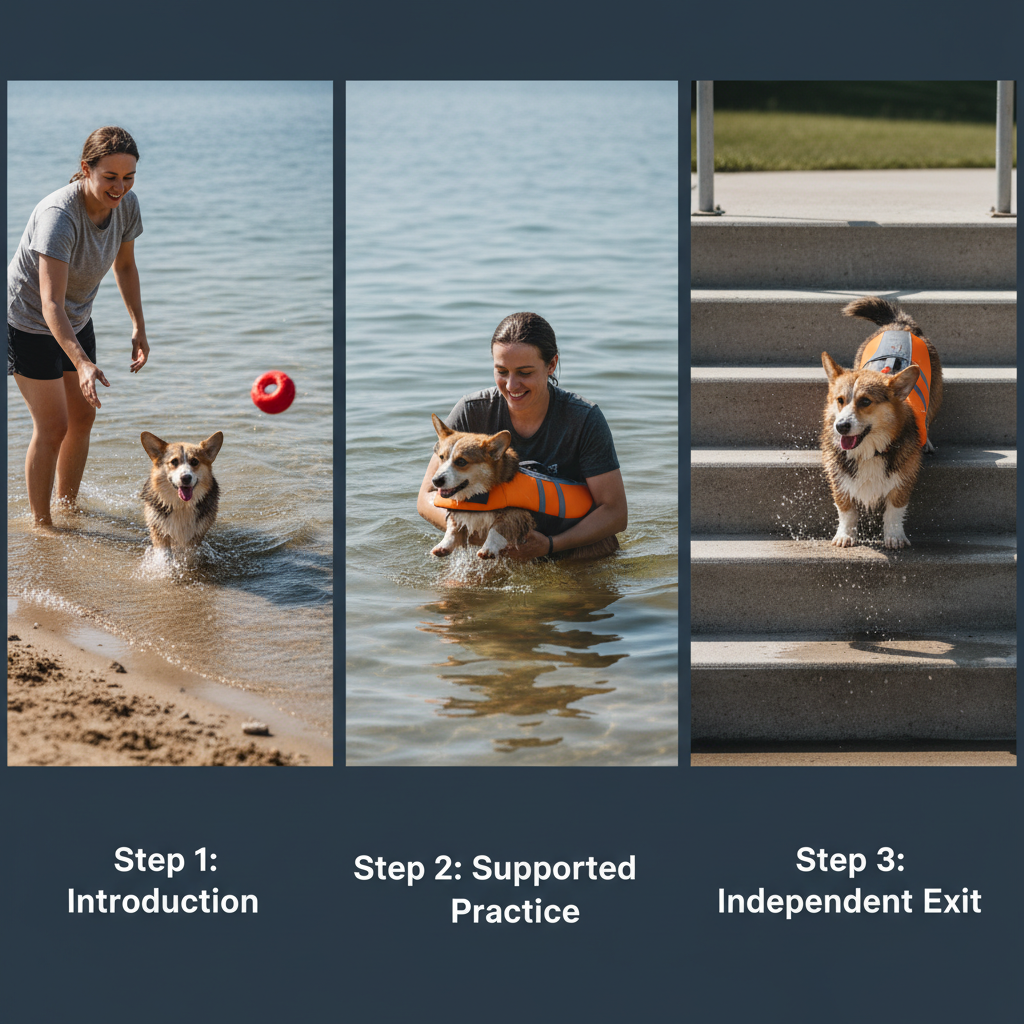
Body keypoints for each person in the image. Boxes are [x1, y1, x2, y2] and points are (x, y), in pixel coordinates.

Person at [7, 125, 149, 526]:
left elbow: (125, 265)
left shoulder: (127, 205)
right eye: (110, 177)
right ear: (86, 169)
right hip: (29, 322)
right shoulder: (59, 217)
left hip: (77, 317)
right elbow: (50, 303)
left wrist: (138, 325)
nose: (120, 187)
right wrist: (82, 363)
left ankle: (67, 507)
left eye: (128, 177)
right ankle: (43, 523)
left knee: (83, 418)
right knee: (53, 426)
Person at [417, 312, 627, 560]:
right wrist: (468, 532)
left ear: (551, 365)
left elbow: (615, 513)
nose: (511, 385)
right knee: (453, 597)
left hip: (572, 547)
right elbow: (425, 497)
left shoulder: (583, 419)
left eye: (525, 372)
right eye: (502, 371)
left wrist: (551, 545)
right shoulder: (471, 411)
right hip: (489, 543)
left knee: (572, 597)